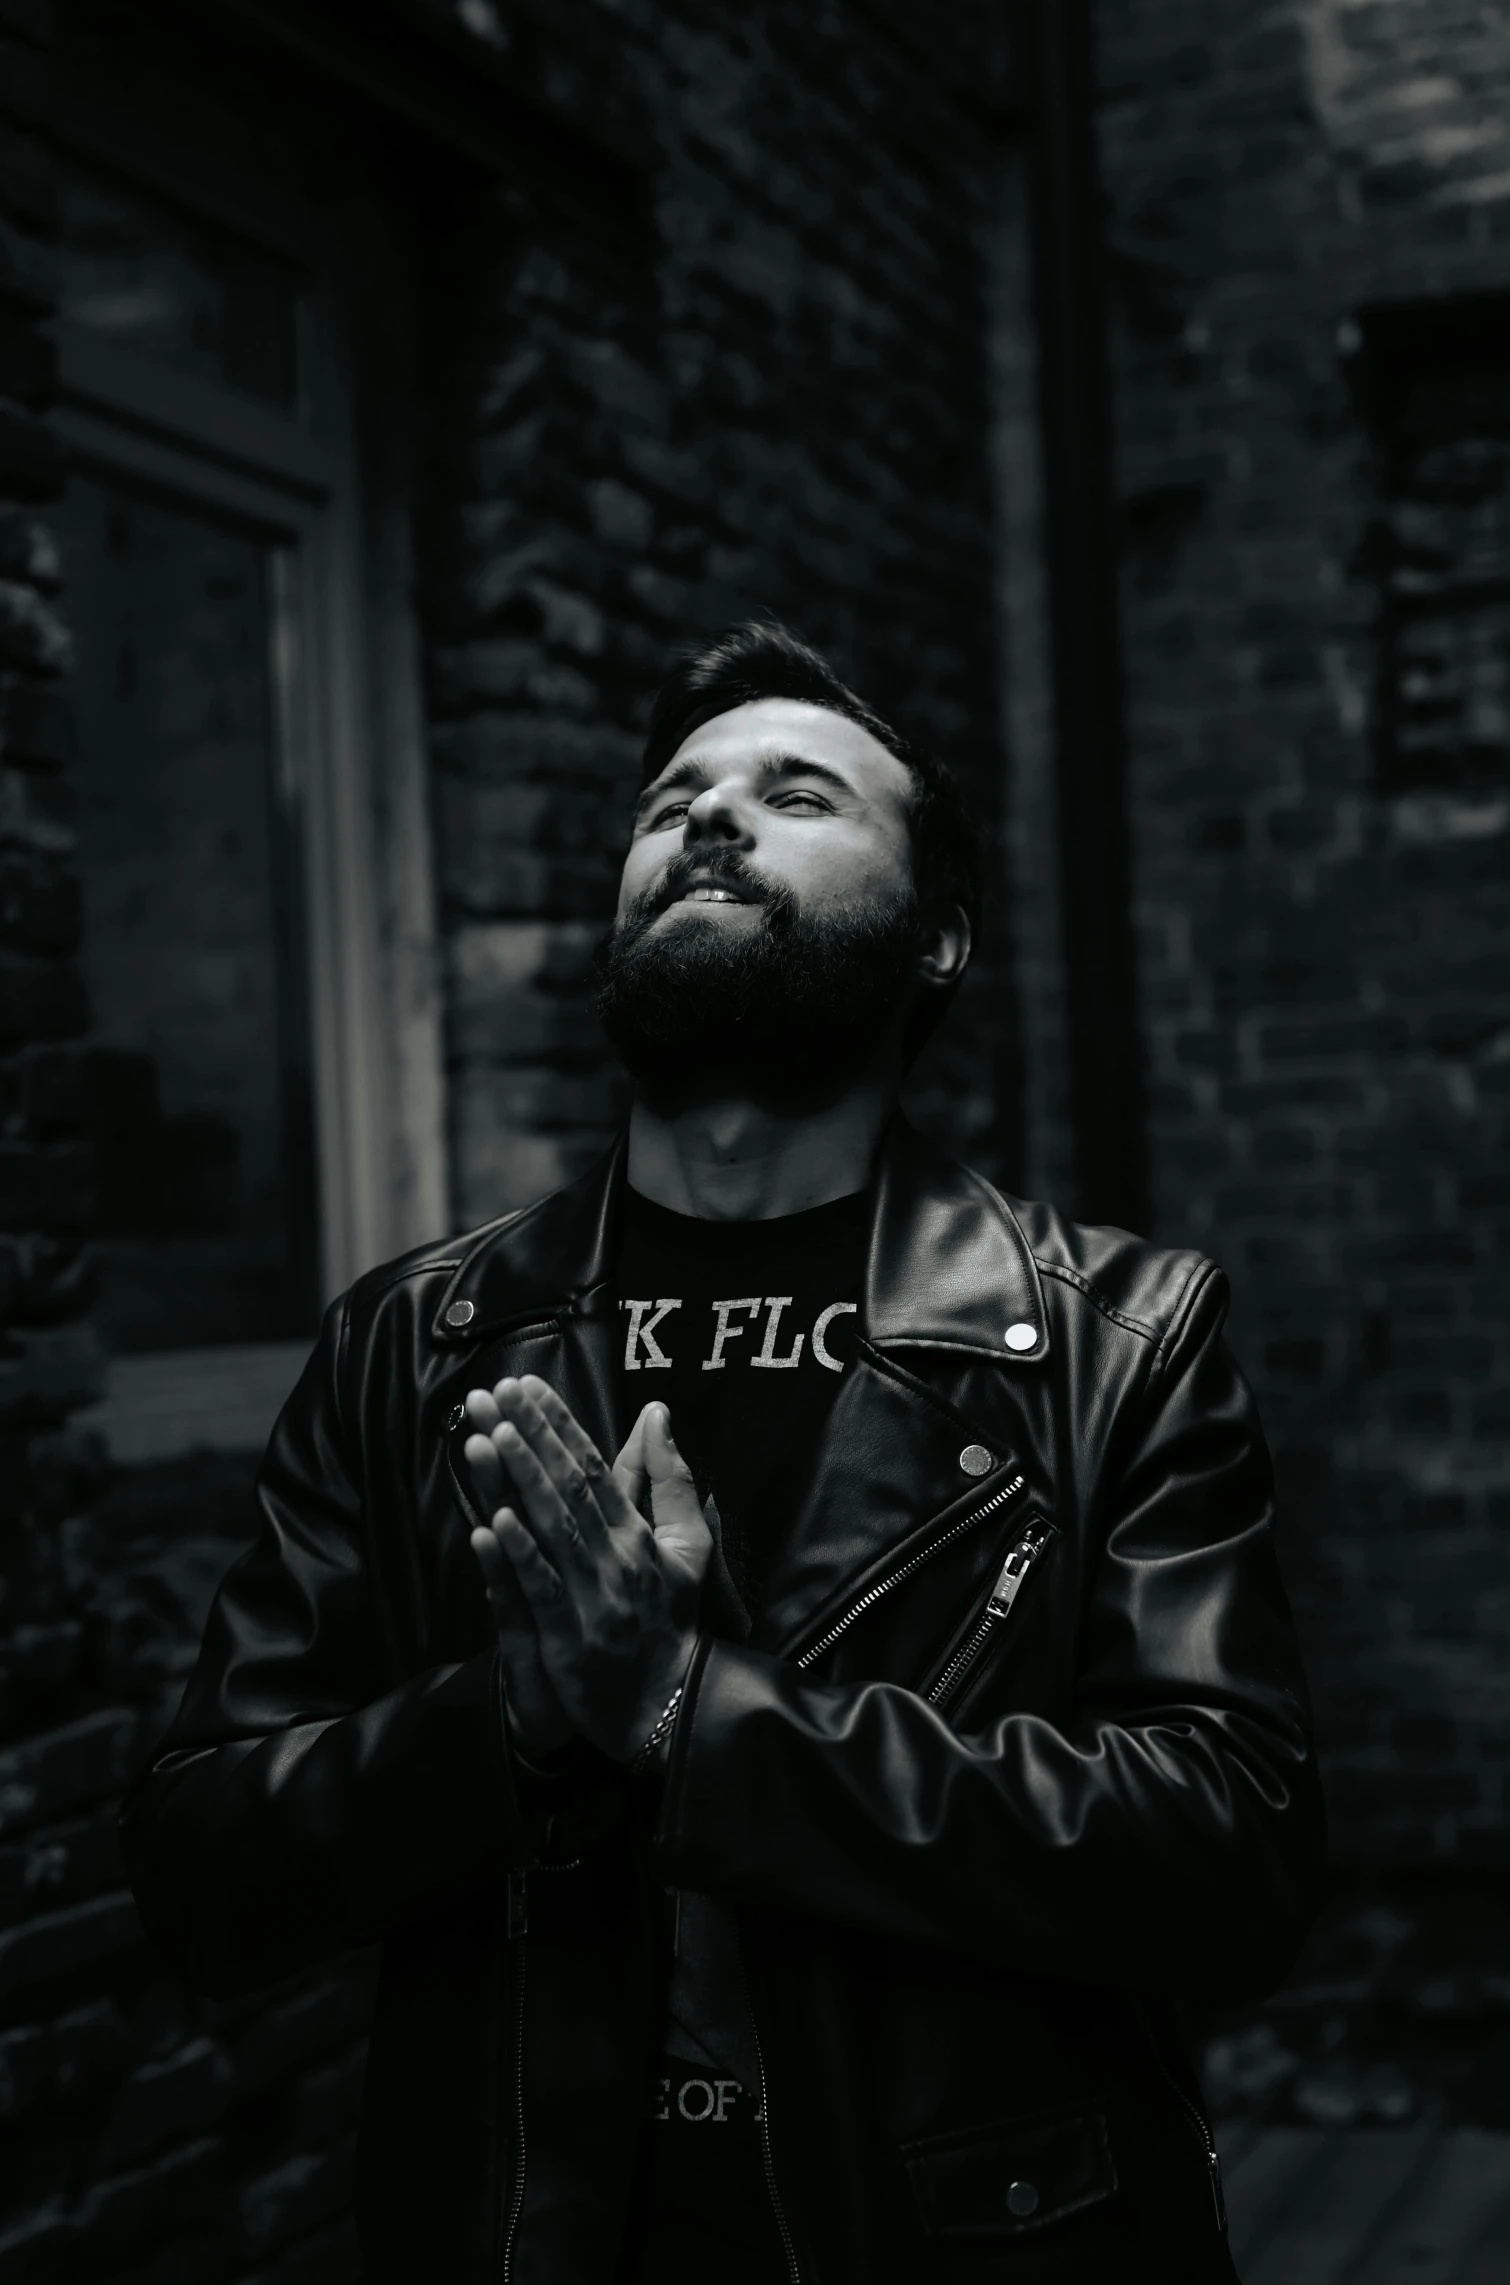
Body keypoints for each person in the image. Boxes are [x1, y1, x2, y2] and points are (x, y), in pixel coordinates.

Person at [121, 620, 1324, 2284]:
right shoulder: (413, 1342)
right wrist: (517, 1723)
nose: (705, 817)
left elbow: (1229, 1861)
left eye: (796, 791)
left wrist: (693, 1716)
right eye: (669, 798)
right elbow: (204, 1866)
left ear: (940, 941)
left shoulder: (1119, 1339)